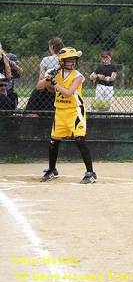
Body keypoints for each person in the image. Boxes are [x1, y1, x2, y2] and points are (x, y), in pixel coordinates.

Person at [36, 47, 97, 184]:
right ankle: (52, 170)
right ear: (62, 62)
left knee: (80, 139)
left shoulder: (78, 75)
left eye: (74, 59)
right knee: (53, 142)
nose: (73, 62)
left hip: (75, 111)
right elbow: (39, 86)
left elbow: (68, 93)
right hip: (60, 111)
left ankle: (91, 173)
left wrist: (54, 83)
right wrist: (47, 78)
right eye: (70, 60)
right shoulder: (56, 73)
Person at [24, 37, 64, 116]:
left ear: (51, 46)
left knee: (37, 93)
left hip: (46, 88)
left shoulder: (46, 60)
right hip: (61, 88)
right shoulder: (65, 60)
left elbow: (41, 78)